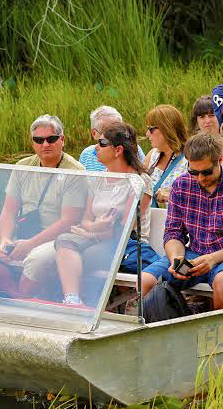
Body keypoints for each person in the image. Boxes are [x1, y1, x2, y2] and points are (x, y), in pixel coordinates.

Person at [140, 132, 223, 309]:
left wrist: (212, 259)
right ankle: (163, 329)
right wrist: (177, 258)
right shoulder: (181, 185)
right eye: (193, 171)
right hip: (196, 254)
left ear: (220, 160)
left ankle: (219, 334)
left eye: (206, 172)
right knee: (146, 280)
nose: (200, 178)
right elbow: (173, 233)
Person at [0, 114, 87, 297]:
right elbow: (9, 211)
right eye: (39, 140)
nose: (45, 144)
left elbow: (67, 222)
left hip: (57, 236)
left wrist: (29, 244)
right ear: (33, 143)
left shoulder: (75, 171)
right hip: (24, 228)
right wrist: (4, 240)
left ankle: (24, 299)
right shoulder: (23, 166)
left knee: (36, 259)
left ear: (62, 140)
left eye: (51, 139)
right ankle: (17, 296)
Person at [54, 123, 158, 307]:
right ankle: (72, 300)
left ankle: (91, 306)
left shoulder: (139, 181)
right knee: (63, 240)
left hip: (124, 244)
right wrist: (94, 228)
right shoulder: (99, 179)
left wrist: (91, 231)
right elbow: (86, 218)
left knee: (81, 256)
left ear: (118, 150)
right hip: (98, 237)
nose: (95, 147)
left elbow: (124, 228)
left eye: (102, 143)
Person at [142, 104, 189, 208]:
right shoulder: (152, 155)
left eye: (151, 129)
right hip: (151, 221)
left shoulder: (190, 159)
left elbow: (200, 198)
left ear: (166, 129)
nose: (147, 134)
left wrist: (171, 196)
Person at [79, 105, 145, 171]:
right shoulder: (86, 155)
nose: (113, 135)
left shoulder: (134, 149)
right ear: (94, 133)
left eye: (118, 130)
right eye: (106, 131)